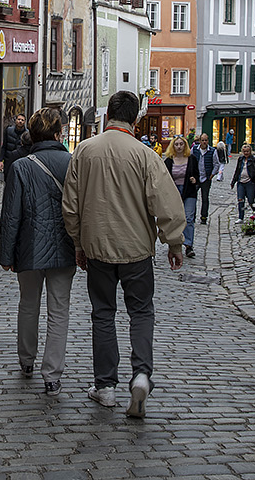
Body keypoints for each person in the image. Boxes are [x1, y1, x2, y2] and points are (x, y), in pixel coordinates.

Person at [63, 90, 185, 419]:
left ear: (109, 116)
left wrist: (77, 242)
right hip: (137, 251)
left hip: (98, 248)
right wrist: (173, 242)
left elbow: (70, 205)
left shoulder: (85, 151)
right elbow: (167, 203)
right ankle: (142, 374)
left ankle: (105, 386)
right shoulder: (145, 155)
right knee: (141, 313)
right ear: (135, 118)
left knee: (103, 314)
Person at [0, 107, 77, 395]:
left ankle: (26, 360)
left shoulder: (21, 166)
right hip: (65, 247)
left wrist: (6, 255)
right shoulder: (71, 163)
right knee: (59, 311)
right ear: (57, 134)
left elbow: (11, 216)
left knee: (28, 305)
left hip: (29, 246)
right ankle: (52, 374)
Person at [162, 137, 198, 258]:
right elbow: (164, 178)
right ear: (173, 146)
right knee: (175, 218)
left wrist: (195, 180)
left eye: (181, 144)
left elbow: (197, 174)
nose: (179, 146)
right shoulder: (169, 161)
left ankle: (188, 245)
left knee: (188, 218)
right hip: (174, 193)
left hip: (189, 191)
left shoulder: (191, 159)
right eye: (176, 144)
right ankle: (174, 243)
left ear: (185, 146)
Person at [232, 143, 255, 218]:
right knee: (240, 200)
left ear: (250, 151)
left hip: (250, 182)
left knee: (251, 200)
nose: (246, 153)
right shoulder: (240, 159)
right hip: (241, 182)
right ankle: (240, 217)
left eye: (247, 151)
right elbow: (237, 170)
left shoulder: (254, 160)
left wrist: (254, 179)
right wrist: (233, 181)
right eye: (244, 151)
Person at [193, 135, 218, 223]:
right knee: (193, 198)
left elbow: (216, 164)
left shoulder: (212, 151)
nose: (204, 142)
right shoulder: (195, 149)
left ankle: (204, 217)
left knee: (205, 198)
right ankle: (192, 216)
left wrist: (211, 175)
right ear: (199, 141)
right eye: (202, 140)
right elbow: (190, 160)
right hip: (196, 178)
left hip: (206, 178)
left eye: (206, 140)